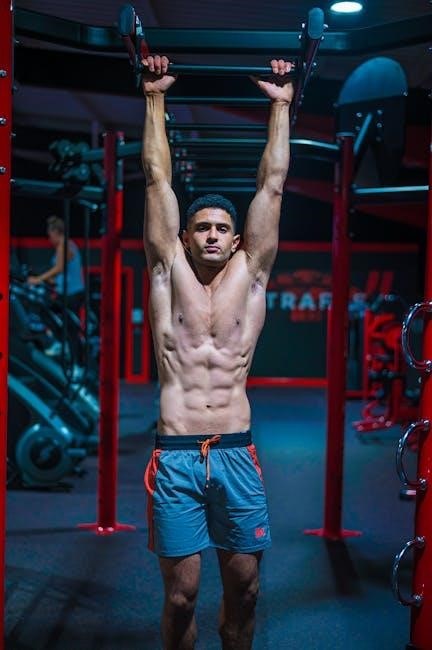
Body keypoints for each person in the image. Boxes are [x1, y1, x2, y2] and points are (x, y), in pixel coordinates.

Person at [142, 55, 294, 650]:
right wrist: (154, 97)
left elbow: (272, 185)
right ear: (183, 237)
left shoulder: (250, 277)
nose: (210, 234)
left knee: (246, 589)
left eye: (221, 228)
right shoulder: (167, 271)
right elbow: (157, 181)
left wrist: (280, 105)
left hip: (235, 451)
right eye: (200, 227)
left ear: (236, 241)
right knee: (180, 597)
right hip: (177, 454)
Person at [27, 215, 85, 360]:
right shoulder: (66, 245)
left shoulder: (64, 245)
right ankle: (61, 343)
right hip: (68, 291)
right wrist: (48, 280)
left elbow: (59, 268)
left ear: (56, 232)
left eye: (50, 235)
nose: (49, 239)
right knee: (54, 316)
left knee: (49, 313)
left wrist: (38, 279)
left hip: (71, 293)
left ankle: (69, 352)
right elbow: (62, 272)